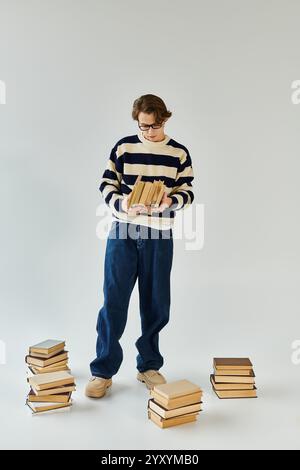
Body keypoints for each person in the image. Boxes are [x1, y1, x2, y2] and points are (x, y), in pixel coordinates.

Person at [85, 94, 194, 398]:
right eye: (143, 126)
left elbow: (188, 190)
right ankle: (102, 371)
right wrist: (123, 204)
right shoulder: (123, 147)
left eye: (154, 126)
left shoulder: (179, 153)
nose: (148, 132)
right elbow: (107, 184)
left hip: (160, 233)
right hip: (124, 229)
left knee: (156, 302)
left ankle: (148, 366)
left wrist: (171, 201)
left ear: (165, 120)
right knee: (114, 300)